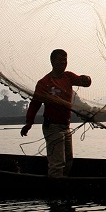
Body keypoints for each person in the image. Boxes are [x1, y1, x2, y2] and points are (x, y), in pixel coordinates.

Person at [21, 49, 92, 178]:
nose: (63, 62)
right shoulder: (44, 83)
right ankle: (54, 194)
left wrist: (86, 79)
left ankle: (62, 189)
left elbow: (85, 83)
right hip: (52, 127)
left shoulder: (68, 77)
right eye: (60, 59)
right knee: (57, 163)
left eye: (65, 59)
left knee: (69, 161)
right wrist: (29, 123)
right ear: (52, 61)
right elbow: (35, 104)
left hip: (66, 126)